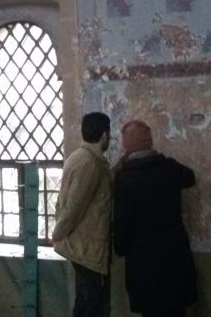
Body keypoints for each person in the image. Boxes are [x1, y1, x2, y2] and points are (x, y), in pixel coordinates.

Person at [113, 120, 198, 317]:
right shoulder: (169, 169)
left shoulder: (125, 179)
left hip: (144, 264)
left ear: (126, 145)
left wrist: (119, 247)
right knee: (176, 311)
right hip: (174, 259)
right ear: (150, 141)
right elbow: (189, 177)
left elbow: (122, 223)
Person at [52, 112, 113, 317]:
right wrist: (58, 233)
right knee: (93, 308)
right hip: (88, 249)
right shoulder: (90, 163)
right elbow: (74, 207)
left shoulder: (79, 157)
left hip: (83, 248)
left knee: (85, 304)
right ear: (104, 135)